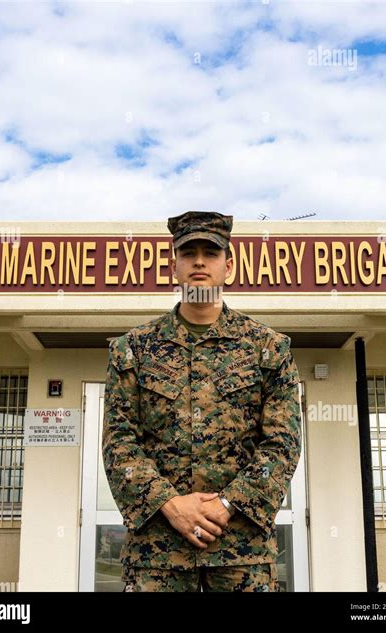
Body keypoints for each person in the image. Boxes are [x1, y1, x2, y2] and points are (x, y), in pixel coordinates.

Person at [102, 211, 302, 592]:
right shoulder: (133, 351)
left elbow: (282, 445)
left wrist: (224, 504)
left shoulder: (268, 348)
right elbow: (119, 444)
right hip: (158, 556)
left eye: (209, 253)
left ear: (228, 266)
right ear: (173, 266)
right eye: (187, 252)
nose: (198, 261)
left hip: (242, 555)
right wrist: (171, 505)